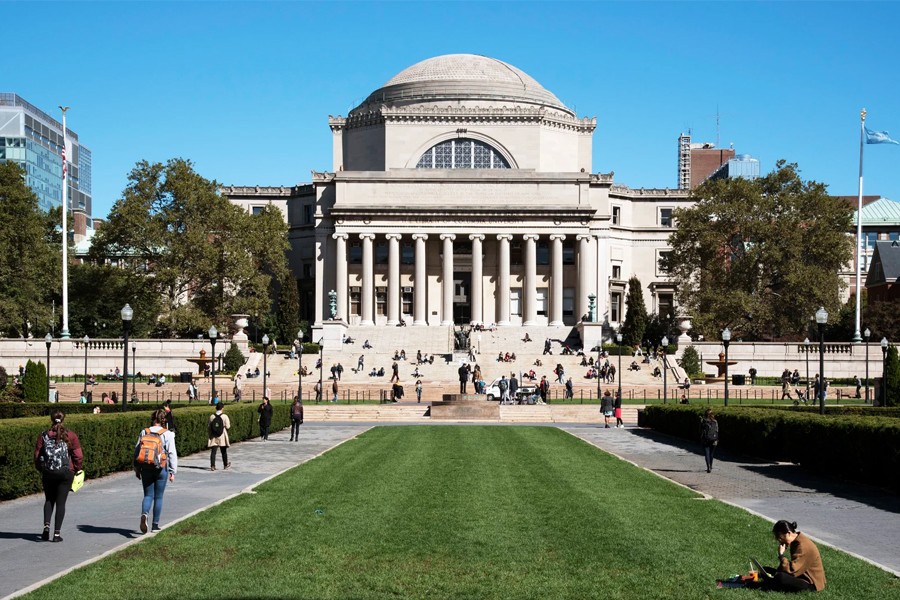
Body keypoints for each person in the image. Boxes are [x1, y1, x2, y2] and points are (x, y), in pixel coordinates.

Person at [34, 410, 83, 542]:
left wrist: (42, 469)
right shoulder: (70, 435)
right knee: (61, 503)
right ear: (63, 419)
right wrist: (76, 469)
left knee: (49, 500)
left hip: (48, 473)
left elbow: (37, 456)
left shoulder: (44, 435)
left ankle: (46, 529)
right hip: (65, 473)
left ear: (51, 419)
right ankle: (56, 534)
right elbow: (78, 455)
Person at [134, 409, 177, 534]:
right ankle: (155, 525)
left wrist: (136, 468)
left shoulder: (144, 431)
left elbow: (137, 451)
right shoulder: (167, 434)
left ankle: (144, 513)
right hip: (160, 468)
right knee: (158, 497)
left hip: (145, 467)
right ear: (164, 420)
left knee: (148, 495)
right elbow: (172, 453)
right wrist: (172, 471)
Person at [759, 520, 826, 592]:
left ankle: (769, 584)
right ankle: (771, 582)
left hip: (811, 583)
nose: (780, 542)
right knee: (765, 570)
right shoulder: (796, 541)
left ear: (788, 533)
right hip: (800, 575)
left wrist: (781, 556)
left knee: (780, 577)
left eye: (780, 538)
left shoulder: (803, 546)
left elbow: (792, 570)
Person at [208, 402, 231, 471]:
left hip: (214, 435)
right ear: (222, 408)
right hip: (222, 435)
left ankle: (212, 465)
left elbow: (209, 426)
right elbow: (228, 426)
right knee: (223, 451)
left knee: (213, 451)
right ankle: (225, 464)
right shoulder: (224, 416)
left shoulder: (212, 416)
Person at [699, 409, 719, 473]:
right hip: (714, 439)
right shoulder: (715, 421)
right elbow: (717, 430)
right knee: (711, 454)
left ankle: (708, 467)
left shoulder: (703, 421)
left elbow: (700, 430)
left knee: (707, 453)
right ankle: (711, 466)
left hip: (706, 439)